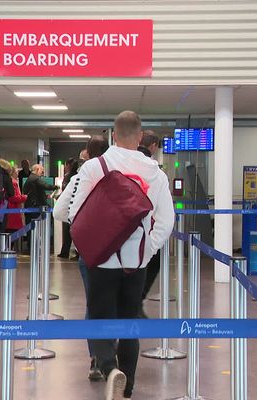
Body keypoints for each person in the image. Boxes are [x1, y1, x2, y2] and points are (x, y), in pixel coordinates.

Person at [69, 111, 174, 400]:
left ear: (113, 135)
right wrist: (147, 250)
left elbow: (75, 215)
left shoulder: (95, 166)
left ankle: (108, 366)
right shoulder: (155, 172)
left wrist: (90, 247)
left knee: (99, 315)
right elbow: (166, 221)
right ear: (140, 137)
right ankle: (127, 386)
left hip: (101, 259)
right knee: (129, 319)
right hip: (135, 261)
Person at [54, 135, 109, 382]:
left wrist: (79, 224)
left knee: (93, 303)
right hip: (117, 249)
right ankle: (114, 357)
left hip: (88, 250)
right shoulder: (117, 173)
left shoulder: (78, 178)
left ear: (86, 152)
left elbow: (59, 211)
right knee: (118, 303)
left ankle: (96, 359)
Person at [137, 130, 162, 318]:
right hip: (146, 229)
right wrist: (154, 244)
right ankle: (137, 300)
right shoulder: (155, 170)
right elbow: (165, 216)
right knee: (152, 263)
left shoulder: (119, 163)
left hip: (119, 232)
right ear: (153, 145)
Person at [23, 163, 59, 232]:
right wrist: (56, 186)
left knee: (31, 229)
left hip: (30, 206)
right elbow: (46, 186)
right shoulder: (35, 178)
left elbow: (35, 191)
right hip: (35, 207)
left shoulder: (31, 178)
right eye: (41, 171)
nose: (42, 174)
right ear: (37, 170)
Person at [57, 158, 79, 259]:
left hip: (69, 207)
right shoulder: (76, 177)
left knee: (67, 231)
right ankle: (75, 252)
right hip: (74, 207)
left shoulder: (69, 178)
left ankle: (65, 252)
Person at [5, 166, 27, 240]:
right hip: (13, 209)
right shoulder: (13, 182)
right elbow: (14, 197)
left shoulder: (9, 181)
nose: (18, 174)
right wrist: (24, 197)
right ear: (13, 173)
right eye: (17, 172)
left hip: (10, 209)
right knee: (12, 232)